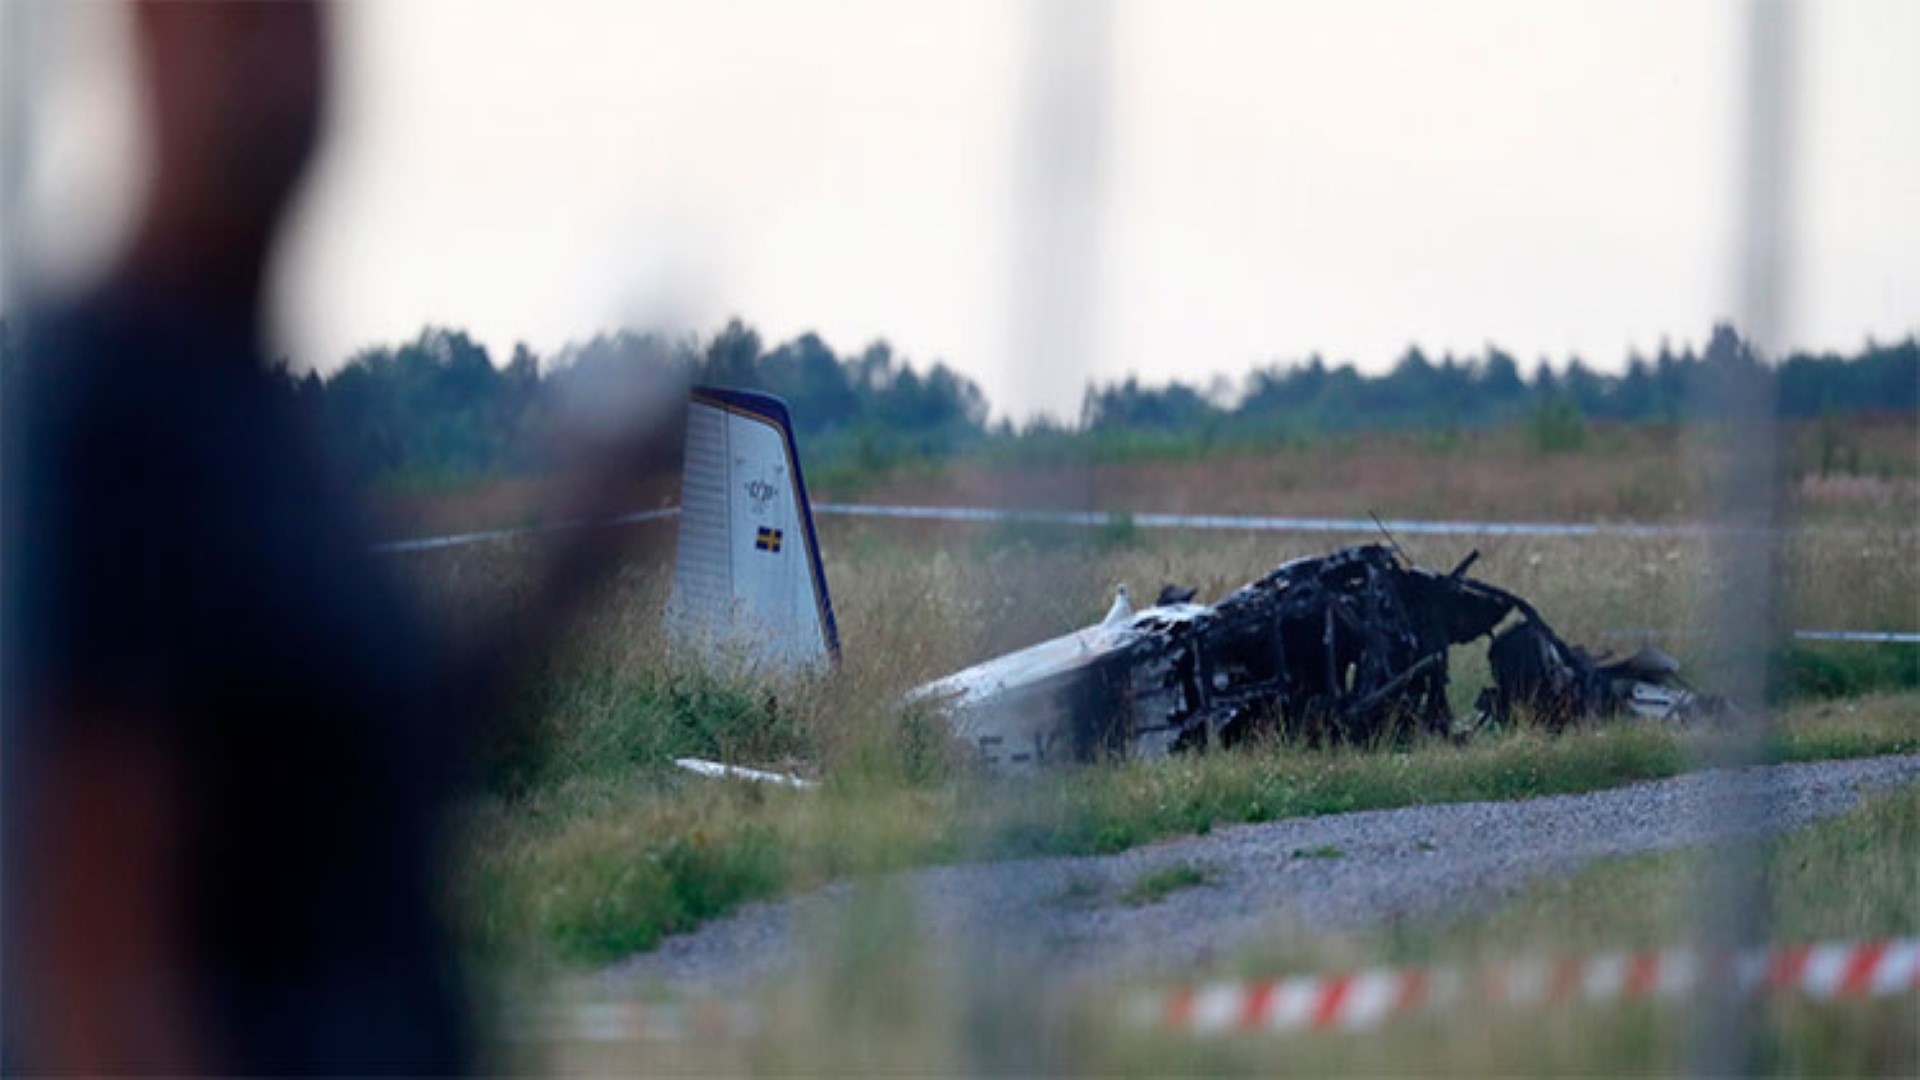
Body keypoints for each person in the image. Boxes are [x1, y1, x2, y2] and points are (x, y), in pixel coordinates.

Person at [3, 5, 469, 1071]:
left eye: (305, 26)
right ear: (149, 40)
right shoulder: (111, 410)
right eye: (246, 26)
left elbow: (357, 785)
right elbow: (96, 962)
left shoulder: (258, 409)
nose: (290, 72)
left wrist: (574, 560)